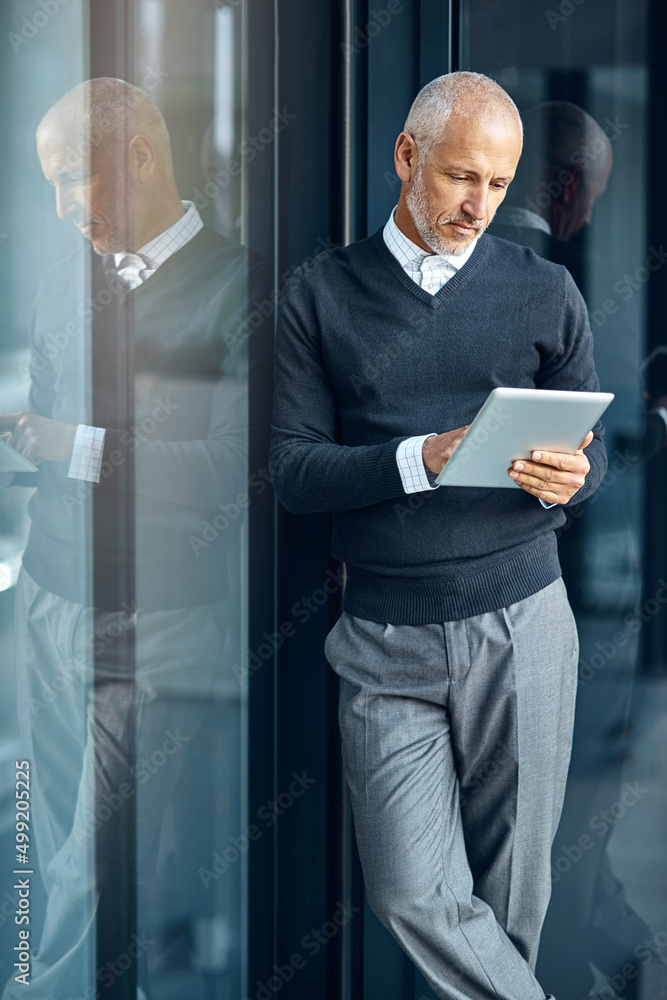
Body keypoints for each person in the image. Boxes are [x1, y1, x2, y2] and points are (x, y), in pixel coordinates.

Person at [270, 71, 608, 1000]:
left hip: (525, 624)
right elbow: (293, 470)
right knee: (415, 894)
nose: (478, 206)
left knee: (510, 907)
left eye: (498, 187)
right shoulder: (319, 296)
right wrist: (421, 457)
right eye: (462, 178)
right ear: (406, 157)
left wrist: (574, 478)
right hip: (384, 639)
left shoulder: (545, 291)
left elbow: (591, 454)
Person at [0, 78, 267, 999]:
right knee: (44, 838)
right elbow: (43, 415)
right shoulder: (61, 277)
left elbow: (237, 463)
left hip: (151, 618)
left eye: (76, 178)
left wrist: (78, 448)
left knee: (93, 862)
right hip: (45, 594)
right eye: (52, 186)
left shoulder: (240, 286)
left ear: (142, 159)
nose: (65, 208)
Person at [490, 100, 667, 1000]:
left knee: (549, 830)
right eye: (590, 194)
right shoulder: (580, 285)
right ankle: (618, 963)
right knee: (563, 824)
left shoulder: (449, 275)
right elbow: (615, 433)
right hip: (576, 601)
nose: (591, 213)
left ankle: (626, 961)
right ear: (565, 190)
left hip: (476, 600)